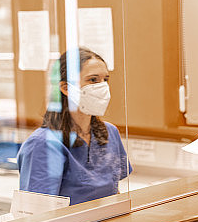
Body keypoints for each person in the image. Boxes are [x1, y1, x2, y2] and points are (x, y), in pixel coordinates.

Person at [18, 48, 130, 205]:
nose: (103, 87)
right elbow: (37, 213)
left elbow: (114, 193)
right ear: (66, 88)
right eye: (93, 80)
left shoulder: (109, 132)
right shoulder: (43, 144)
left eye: (105, 79)